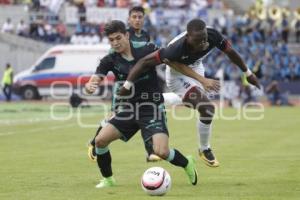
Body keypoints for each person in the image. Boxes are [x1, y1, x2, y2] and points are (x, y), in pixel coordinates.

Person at [118, 18, 260, 167]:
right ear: (188, 38)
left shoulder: (212, 35)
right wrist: (127, 86)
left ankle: (157, 99)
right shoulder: (174, 49)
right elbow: (144, 62)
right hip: (176, 76)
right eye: (198, 41)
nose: (203, 43)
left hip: (196, 67)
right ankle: (205, 149)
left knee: (201, 106)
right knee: (207, 108)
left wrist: (248, 73)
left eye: (204, 39)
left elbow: (230, 52)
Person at [84, 20, 199, 188]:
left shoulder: (147, 50)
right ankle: (108, 179)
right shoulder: (109, 60)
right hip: (129, 109)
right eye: (111, 40)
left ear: (127, 35)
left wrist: (199, 80)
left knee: (161, 152)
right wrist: (89, 86)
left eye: (118, 38)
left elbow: (173, 62)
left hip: (152, 107)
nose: (115, 43)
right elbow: (95, 79)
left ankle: (186, 163)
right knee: (100, 141)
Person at [87, 6, 159, 162]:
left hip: (140, 84)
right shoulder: (123, 35)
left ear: (144, 19)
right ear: (129, 20)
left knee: (147, 113)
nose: (137, 20)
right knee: (115, 115)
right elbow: (113, 58)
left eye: (140, 17)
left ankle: (150, 151)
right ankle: (95, 142)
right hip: (122, 85)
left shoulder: (146, 36)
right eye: (134, 17)